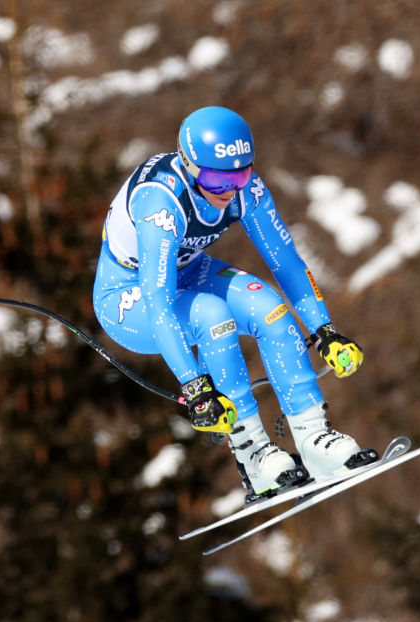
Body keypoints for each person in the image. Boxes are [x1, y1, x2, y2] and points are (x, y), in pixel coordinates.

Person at [93, 106, 377, 502]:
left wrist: (324, 330)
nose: (228, 189)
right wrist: (195, 387)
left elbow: (288, 262)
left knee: (271, 309)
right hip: (129, 298)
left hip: (189, 272)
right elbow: (158, 299)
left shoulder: (248, 190)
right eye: (215, 178)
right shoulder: (160, 203)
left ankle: (314, 439)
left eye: (239, 175)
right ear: (190, 166)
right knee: (213, 315)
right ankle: (253, 456)